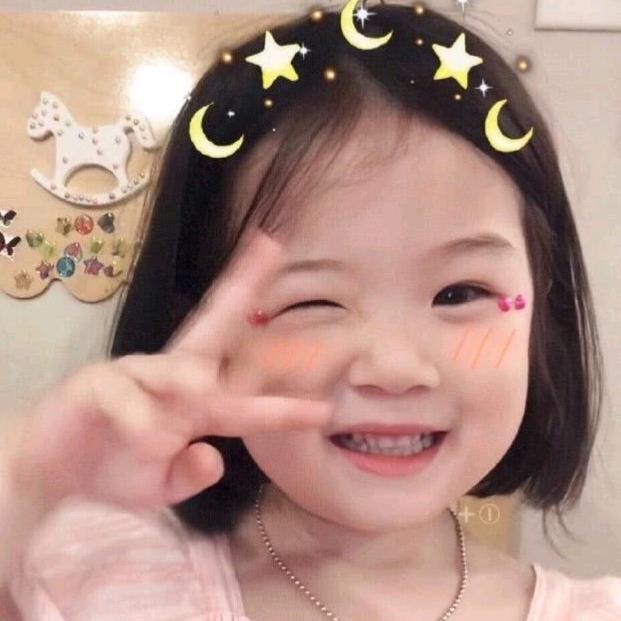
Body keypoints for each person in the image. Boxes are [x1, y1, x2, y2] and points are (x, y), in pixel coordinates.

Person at [1, 2, 620, 620]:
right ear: (203, 328)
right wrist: (27, 478)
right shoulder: (89, 585)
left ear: (543, 320)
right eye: (313, 300)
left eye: (460, 294)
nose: (394, 368)